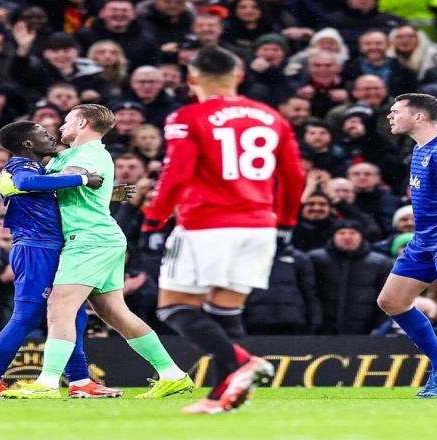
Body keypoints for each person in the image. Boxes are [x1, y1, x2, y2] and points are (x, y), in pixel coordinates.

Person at [143, 47, 304, 413]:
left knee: (173, 307)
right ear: (239, 75)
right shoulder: (271, 116)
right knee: (224, 312)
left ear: (192, 78)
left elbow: (176, 173)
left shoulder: (187, 116)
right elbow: (294, 176)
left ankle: (245, 362)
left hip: (207, 225)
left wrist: (154, 220)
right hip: (260, 226)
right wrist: (287, 221)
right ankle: (221, 397)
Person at [0, 105, 193, 399]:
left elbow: (53, 183)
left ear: (82, 123)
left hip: (88, 240)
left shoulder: (87, 156)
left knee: (60, 305)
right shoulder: (72, 155)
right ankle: (172, 374)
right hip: (102, 239)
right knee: (114, 312)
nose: (60, 127)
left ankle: (47, 383)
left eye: (67, 121)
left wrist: (11, 185)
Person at [0, 121, 123, 399]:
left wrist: (108, 194)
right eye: (43, 134)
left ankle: (80, 381)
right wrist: (82, 179)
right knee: (27, 315)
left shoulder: (37, 169)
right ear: (28, 144)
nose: (51, 136)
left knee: (73, 313)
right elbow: (25, 183)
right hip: (34, 248)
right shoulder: (21, 167)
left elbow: (43, 194)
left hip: (51, 247)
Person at [377, 93, 437, 398]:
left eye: (396, 111)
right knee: (392, 301)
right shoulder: (421, 149)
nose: (390, 116)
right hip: (424, 239)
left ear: (418, 116)